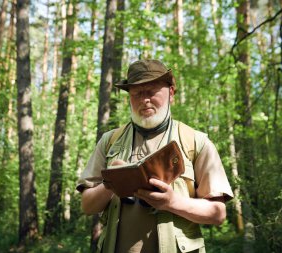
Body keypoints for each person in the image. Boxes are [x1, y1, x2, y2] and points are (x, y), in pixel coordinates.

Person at [76, 59, 234, 253]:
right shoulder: (109, 141)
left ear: (171, 93)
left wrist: (172, 202)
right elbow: (87, 205)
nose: (144, 99)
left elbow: (218, 214)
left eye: (151, 91)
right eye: (136, 94)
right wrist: (111, 184)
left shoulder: (196, 142)